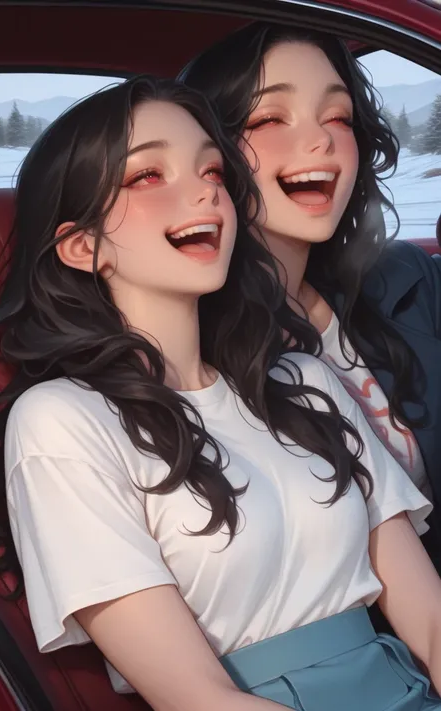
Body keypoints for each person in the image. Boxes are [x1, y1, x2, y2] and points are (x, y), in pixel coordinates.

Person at [0, 76, 441, 710]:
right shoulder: (61, 422)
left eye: (213, 170)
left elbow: (431, 623)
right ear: (82, 247)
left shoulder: (303, 381)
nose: (204, 192)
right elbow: (194, 696)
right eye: (147, 176)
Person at [179, 23, 441, 563]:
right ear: (207, 153)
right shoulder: (183, 344)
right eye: (270, 119)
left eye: (339, 117)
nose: (321, 139)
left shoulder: (406, 279)